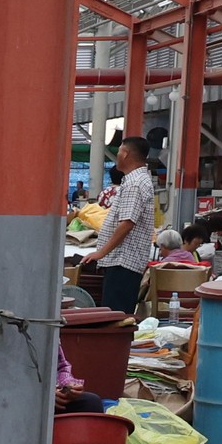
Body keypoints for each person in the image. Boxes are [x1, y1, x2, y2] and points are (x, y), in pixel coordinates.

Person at [84, 135, 159, 316]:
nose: (117, 156)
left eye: (118, 152)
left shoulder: (134, 184)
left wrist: (101, 252)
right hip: (122, 261)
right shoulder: (136, 181)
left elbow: (127, 223)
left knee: (115, 317)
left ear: (125, 154)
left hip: (122, 261)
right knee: (117, 315)